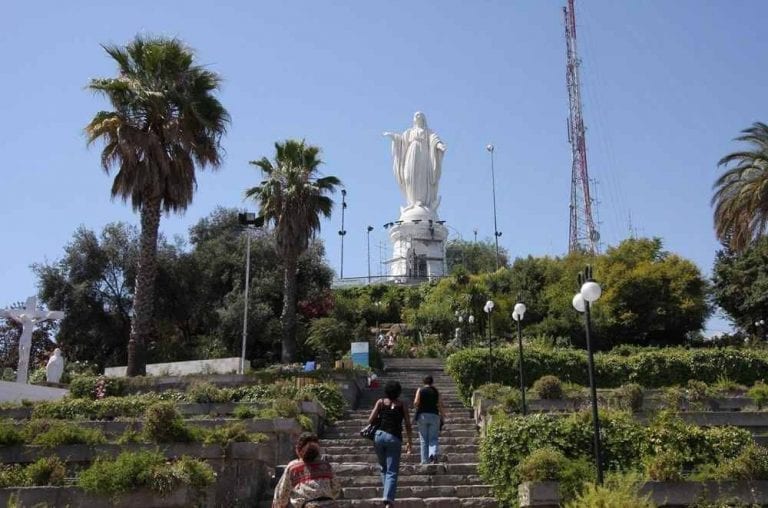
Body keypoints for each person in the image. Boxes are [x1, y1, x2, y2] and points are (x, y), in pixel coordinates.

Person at [383, 112, 446, 214]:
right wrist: (393, 137)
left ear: (423, 119)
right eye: (416, 116)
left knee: (421, 176)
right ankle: (412, 201)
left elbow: (434, 140)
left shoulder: (428, 132)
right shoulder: (409, 132)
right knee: (409, 176)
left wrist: (439, 146)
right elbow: (401, 141)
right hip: (411, 153)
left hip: (424, 154)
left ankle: (420, 200)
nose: (418, 117)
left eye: (420, 116)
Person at [369, 380, 413, 507]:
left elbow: (370, 419)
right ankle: (388, 500)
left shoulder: (381, 402)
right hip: (394, 438)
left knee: (383, 468)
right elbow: (408, 425)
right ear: (399, 392)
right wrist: (410, 441)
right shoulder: (402, 405)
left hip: (379, 436)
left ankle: (387, 493)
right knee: (392, 470)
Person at [272, 432, 340, 508]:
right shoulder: (326, 466)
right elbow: (336, 489)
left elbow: (281, 494)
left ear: (298, 449)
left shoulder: (293, 467)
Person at [413, 375, 446, 464]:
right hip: (434, 416)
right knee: (433, 438)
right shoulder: (436, 391)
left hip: (422, 415)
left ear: (424, 382)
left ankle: (424, 460)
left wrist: (420, 405)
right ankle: (432, 453)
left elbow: (416, 402)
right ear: (432, 382)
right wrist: (443, 415)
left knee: (423, 439)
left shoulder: (420, 390)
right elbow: (440, 404)